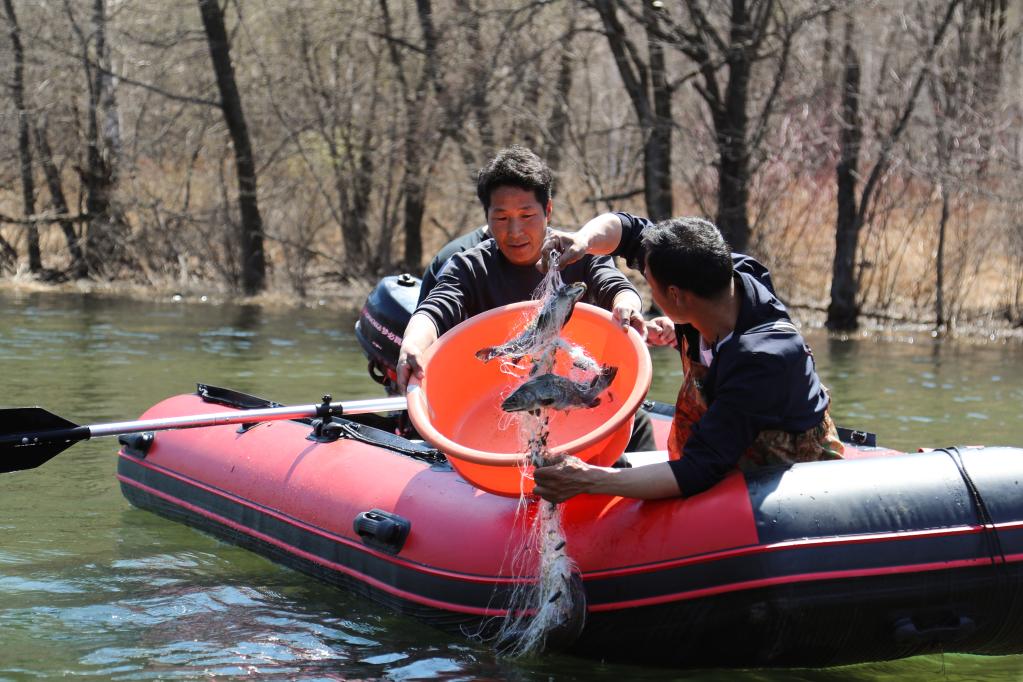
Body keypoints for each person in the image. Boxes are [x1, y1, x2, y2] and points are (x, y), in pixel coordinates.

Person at [531, 212, 844, 503]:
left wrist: (589, 480)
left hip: (787, 477)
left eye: (649, 283)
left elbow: (697, 470)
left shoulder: (762, 359)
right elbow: (627, 230)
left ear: (676, 296)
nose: (648, 287)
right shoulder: (713, 275)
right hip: (723, 439)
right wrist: (583, 240)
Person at [396, 146, 667, 451]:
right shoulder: (469, 267)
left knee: (638, 425)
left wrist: (627, 306)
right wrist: (412, 344)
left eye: (527, 216)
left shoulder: (579, 253)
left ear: (547, 210)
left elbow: (614, 285)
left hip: (580, 396)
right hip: (503, 403)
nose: (515, 231)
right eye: (501, 218)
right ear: (487, 217)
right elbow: (434, 310)